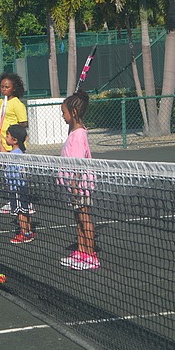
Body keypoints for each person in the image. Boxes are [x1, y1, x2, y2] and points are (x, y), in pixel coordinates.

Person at [58, 90, 99, 271]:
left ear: (73, 113)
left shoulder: (79, 135)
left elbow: (77, 165)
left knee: (84, 218)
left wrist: (75, 188)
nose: (62, 116)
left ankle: (91, 255)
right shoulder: (74, 132)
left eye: (64, 113)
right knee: (78, 218)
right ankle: (82, 252)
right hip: (74, 188)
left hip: (80, 187)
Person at [0, 73, 33, 214]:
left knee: (18, 177)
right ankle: (12, 202)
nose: (3, 89)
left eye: (7, 87)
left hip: (13, 147)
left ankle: (25, 203)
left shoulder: (17, 104)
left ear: (14, 89)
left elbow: (23, 123)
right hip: (0, 145)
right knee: (8, 176)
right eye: (2, 87)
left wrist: (17, 139)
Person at [1, 124, 34, 244]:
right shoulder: (16, 152)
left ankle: (25, 233)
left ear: (14, 140)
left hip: (17, 189)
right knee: (23, 210)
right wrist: (0, 145)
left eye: (7, 135)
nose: (6, 137)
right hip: (19, 188)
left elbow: (14, 171)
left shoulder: (16, 155)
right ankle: (28, 231)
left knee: (21, 211)